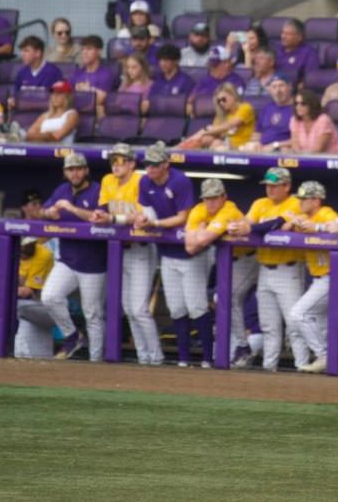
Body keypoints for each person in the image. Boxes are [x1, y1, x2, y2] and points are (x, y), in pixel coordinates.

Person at [86, 142, 158, 366]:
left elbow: (139, 217)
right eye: (113, 161)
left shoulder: (141, 180)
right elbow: (105, 209)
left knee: (139, 309)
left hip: (141, 248)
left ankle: (156, 359)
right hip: (120, 250)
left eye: (121, 161)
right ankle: (144, 357)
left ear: (132, 164)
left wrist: (112, 219)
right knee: (128, 308)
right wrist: (99, 215)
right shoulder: (108, 181)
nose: (116, 165)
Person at [228, 166, 305, 371]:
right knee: (269, 325)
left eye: (275, 185)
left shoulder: (296, 203)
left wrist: (250, 228)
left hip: (288, 270)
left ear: (287, 186)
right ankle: (269, 367)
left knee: (294, 323)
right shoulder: (260, 203)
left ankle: (302, 366)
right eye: (268, 185)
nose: (270, 189)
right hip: (265, 269)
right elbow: (246, 223)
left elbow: (274, 224)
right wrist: (238, 227)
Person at [131, 142, 198, 368]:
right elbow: (145, 211)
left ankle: (207, 358)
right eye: (148, 164)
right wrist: (143, 219)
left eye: (155, 165)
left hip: (193, 252)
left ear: (166, 164)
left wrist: (155, 224)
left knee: (195, 306)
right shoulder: (144, 181)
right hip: (167, 252)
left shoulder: (180, 181)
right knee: (177, 307)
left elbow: (183, 217)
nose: (150, 169)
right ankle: (183, 358)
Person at [39, 153, 106, 361]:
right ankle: (72, 336)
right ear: (65, 172)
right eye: (70, 169)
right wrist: (49, 213)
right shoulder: (62, 190)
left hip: (94, 263)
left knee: (92, 313)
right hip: (67, 259)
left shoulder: (98, 190)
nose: (74, 173)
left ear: (86, 170)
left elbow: (99, 217)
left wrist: (71, 208)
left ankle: (96, 360)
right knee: (49, 296)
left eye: (78, 168)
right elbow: (43, 212)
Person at [182, 177, 244, 368]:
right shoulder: (198, 210)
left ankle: (242, 347)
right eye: (207, 198)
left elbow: (201, 240)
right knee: (224, 300)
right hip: (228, 261)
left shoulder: (229, 210)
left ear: (224, 197)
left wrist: (201, 230)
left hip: (248, 259)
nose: (210, 202)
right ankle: (238, 349)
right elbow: (189, 248)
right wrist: (202, 234)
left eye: (215, 198)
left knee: (227, 299)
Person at [286, 180, 338, 374]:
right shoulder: (302, 216)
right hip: (319, 279)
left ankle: (324, 356)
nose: (300, 202)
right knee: (316, 320)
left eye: (304, 198)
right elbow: (283, 228)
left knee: (299, 313)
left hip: (334, 277)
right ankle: (331, 362)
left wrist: (317, 227)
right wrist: (291, 223)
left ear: (316, 200)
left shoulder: (326, 212)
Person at [25, 80, 78, 145]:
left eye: (59, 93)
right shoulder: (45, 115)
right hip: (40, 147)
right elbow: (30, 134)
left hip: (60, 150)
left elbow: (56, 137)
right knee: (23, 134)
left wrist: (45, 135)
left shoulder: (72, 114)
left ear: (67, 97)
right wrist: (45, 135)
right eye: (53, 93)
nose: (55, 96)